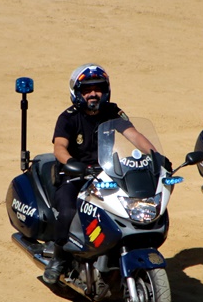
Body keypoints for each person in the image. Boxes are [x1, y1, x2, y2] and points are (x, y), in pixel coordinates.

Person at [44, 64, 159, 284]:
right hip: (74, 174)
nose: (93, 93)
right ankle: (58, 258)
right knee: (68, 211)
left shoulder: (112, 111)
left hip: (106, 172)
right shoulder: (68, 117)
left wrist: (156, 156)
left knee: (126, 206)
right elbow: (59, 147)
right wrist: (72, 163)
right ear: (77, 93)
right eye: (87, 90)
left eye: (97, 88)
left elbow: (134, 135)